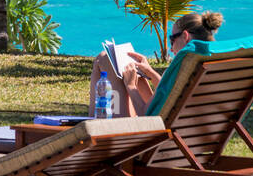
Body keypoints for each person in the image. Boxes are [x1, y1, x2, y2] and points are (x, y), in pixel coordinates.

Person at [89, 11, 224, 116]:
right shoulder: (214, 66)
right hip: (191, 136)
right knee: (124, 66)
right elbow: (172, 95)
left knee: (104, 58)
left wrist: (130, 85)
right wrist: (151, 73)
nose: (171, 48)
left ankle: (90, 125)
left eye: (172, 40)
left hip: (154, 136)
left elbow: (144, 116)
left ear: (185, 36)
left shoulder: (183, 69)